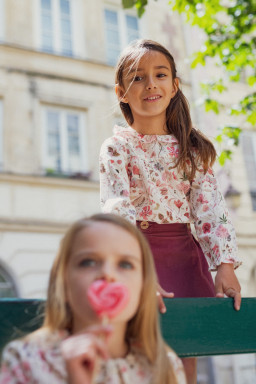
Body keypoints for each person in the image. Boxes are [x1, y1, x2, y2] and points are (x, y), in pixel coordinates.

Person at [99, 39, 242, 384]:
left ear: (174, 85)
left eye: (160, 74)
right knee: (138, 358)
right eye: (137, 78)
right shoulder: (117, 147)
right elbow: (116, 208)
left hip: (183, 258)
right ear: (121, 92)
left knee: (184, 360)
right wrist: (135, 271)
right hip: (138, 256)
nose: (150, 84)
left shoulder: (192, 150)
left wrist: (223, 266)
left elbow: (210, 208)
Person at [0, 213, 186, 384]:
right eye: (88, 262)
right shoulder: (26, 361)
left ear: (143, 287)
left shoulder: (165, 367)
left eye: (125, 264)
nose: (107, 274)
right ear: (64, 285)